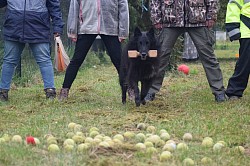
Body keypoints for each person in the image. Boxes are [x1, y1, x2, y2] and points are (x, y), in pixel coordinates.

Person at [145, 0, 226, 102]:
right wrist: (156, 18)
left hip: (198, 18)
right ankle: (150, 91)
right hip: (170, 19)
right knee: (160, 58)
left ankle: (219, 92)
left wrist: (211, 15)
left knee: (208, 57)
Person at [58, 0, 129, 100]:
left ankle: (130, 89)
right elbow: (74, 7)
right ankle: (64, 90)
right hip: (87, 26)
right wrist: (72, 30)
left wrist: (123, 31)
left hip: (110, 26)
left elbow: (123, 7)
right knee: (77, 60)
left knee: (119, 61)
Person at [0, 0, 64, 101]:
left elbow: (54, 7)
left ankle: (50, 92)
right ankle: (2, 93)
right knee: (9, 61)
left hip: (38, 28)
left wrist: (57, 28)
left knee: (44, 61)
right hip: (14, 27)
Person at [225, 0, 250, 100]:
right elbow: (233, 5)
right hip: (247, 32)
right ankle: (234, 91)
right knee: (244, 63)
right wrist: (233, 28)